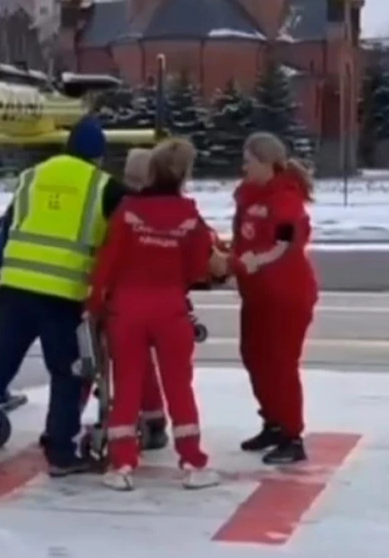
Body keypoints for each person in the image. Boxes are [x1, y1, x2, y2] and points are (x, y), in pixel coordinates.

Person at [0, 115, 128, 476]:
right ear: (99, 157)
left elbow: (10, 224)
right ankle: (60, 452)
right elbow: (122, 235)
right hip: (63, 293)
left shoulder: (31, 176)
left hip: (15, 287)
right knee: (66, 372)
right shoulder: (105, 187)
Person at [86, 138, 220, 491]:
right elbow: (199, 269)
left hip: (126, 310)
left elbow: (107, 264)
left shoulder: (127, 211)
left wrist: (96, 306)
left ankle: (121, 464)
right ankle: (192, 461)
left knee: (127, 383)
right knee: (179, 385)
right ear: (184, 175)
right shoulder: (190, 216)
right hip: (170, 309)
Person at [220, 132, 317, 465]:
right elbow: (242, 239)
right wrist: (229, 255)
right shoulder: (248, 197)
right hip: (257, 294)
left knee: (280, 363)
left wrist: (254, 261)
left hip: (285, 295)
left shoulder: (285, 199)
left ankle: (292, 434)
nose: (244, 166)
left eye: (249, 160)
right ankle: (273, 421)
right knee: (254, 356)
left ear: (266, 163)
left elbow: (285, 244)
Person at [121, 148, 169, 452]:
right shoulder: (168, 208)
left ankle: (66, 424)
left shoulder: (122, 209)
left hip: (126, 301)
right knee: (146, 365)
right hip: (161, 300)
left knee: (93, 361)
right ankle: (154, 421)